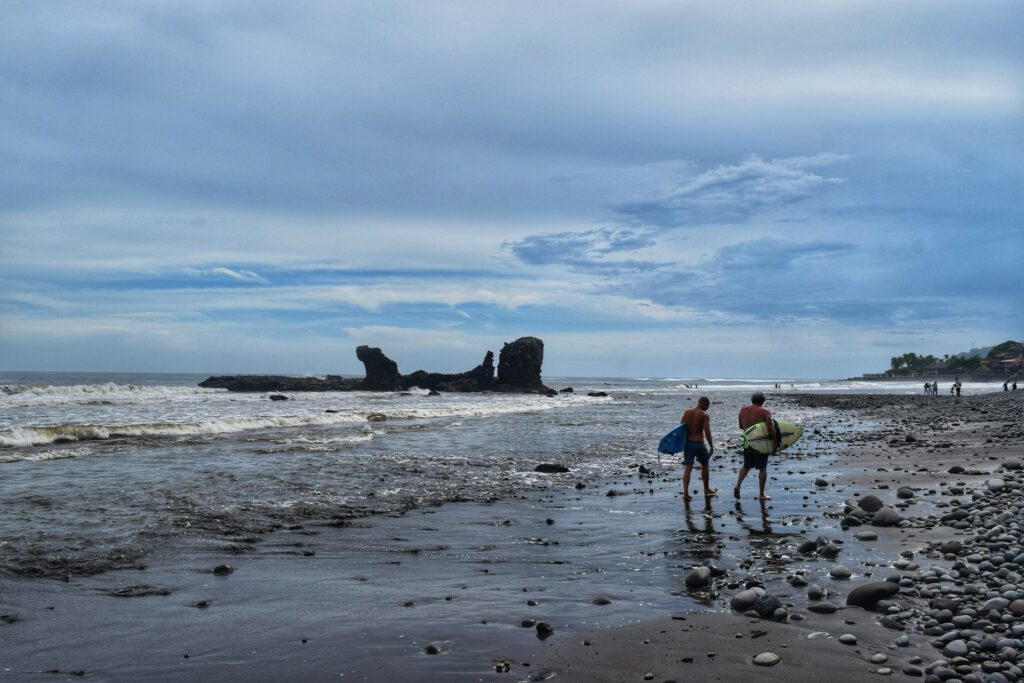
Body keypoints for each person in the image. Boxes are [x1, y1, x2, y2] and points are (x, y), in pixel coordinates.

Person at [734, 392, 776, 501]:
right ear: (763, 401)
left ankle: (738, 485)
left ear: (752, 400)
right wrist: (774, 444)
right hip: (760, 442)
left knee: (746, 466)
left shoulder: (743, 410)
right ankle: (761, 494)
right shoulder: (765, 411)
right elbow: (771, 429)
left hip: (748, 441)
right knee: (762, 468)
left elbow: (740, 426)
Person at [680, 396, 716, 501]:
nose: (708, 408)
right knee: (705, 465)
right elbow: (707, 431)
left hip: (688, 443)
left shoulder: (687, 412)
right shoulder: (704, 415)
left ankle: (685, 493)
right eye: (708, 405)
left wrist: (680, 444)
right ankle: (706, 489)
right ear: (704, 403)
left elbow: (681, 428)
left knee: (688, 467)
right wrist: (711, 446)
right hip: (699, 443)